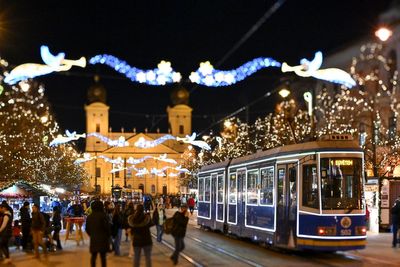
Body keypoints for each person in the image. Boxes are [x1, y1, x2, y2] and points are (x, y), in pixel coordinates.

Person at [86, 200, 111, 267]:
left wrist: (92, 234)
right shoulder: (103, 216)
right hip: (103, 239)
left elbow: (87, 229)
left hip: (94, 239)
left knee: (93, 257)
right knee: (103, 258)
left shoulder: (89, 217)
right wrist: (108, 235)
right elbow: (107, 228)